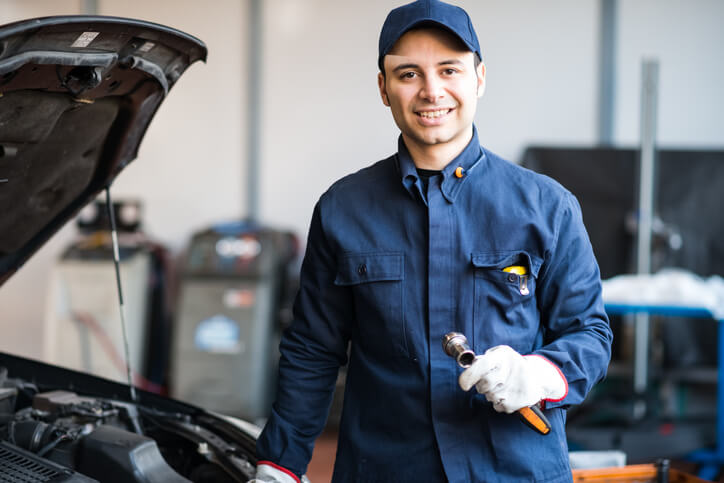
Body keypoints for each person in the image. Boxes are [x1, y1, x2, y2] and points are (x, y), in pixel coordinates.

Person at [253, 1, 613, 482]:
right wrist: (279, 463)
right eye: (408, 74)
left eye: (450, 70)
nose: (431, 91)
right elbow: (313, 350)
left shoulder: (547, 207)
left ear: (479, 79)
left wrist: (542, 374)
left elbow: (590, 333)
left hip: (513, 471)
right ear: (383, 88)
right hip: (385, 468)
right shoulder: (343, 209)